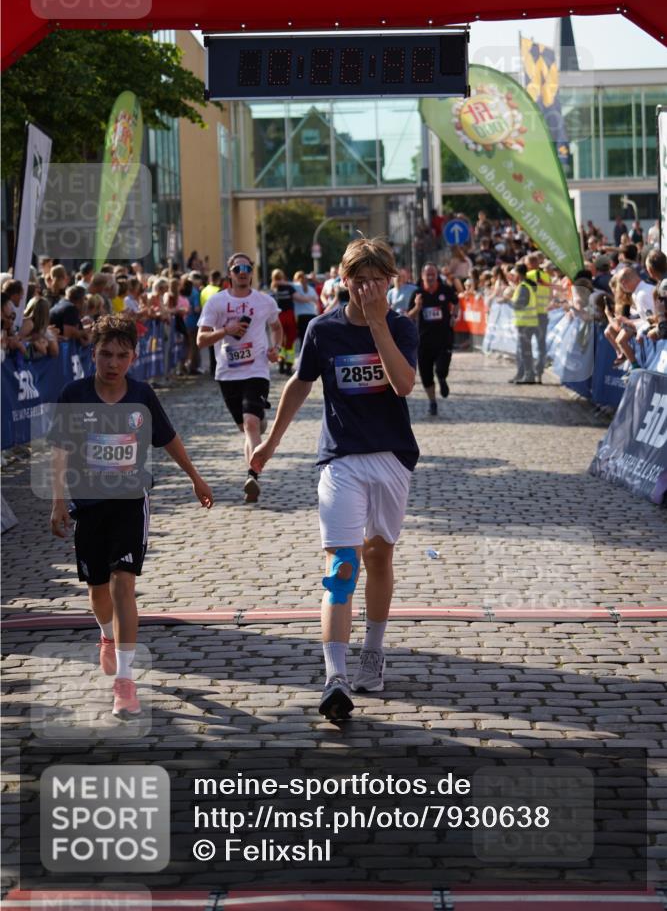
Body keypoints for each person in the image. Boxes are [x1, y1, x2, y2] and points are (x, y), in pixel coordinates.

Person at [250, 237, 419, 722]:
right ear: (342, 282)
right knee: (343, 564)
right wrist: (271, 441)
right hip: (340, 459)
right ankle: (335, 677)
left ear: (392, 282)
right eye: (358, 281)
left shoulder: (401, 327)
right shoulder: (322, 330)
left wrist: (379, 322)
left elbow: (404, 384)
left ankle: (374, 650)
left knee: (378, 555)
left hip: (390, 457)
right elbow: (300, 382)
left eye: (376, 281)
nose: (366, 289)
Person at [49, 315, 213, 718]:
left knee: (124, 582)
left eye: (122, 355)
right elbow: (59, 451)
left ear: (133, 358)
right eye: (106, 354)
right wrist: (57, 501)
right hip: (88, 504)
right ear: (93, 354)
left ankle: (125, 680)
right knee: (97, 588)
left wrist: (195, 477)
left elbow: (169, 439)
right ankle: (106, 635)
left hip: (130, 502)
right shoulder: (74, 394)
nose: (113, 363)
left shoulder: (142, 395)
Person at [197, 252, 282, 503]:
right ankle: (259, 420)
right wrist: (226, 330)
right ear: (229, 273)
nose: (242, 272)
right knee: (245, 427)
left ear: (252, 271)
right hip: (227, 373)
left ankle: (252, 476)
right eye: (237, 268)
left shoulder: (264, 301)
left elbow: (276, 328)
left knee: (250, 425)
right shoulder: (216, 302)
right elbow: (201, 340)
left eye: (247, 267)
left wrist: (275, 348)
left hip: (257, 369)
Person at [406, 263, 459, 415]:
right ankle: (432, 402)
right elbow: (409, 316)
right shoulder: (418, 293)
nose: (430, 277)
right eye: (427, 274)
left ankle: (442, 379)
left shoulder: (445, 290)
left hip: (444, 338)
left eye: (433, 274)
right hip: (423, 341)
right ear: (422, 276)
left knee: (441, 369)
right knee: (426, 375)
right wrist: (417, 307)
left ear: (437, 275)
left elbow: (456, 303)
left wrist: (454, 316)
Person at [525, 252, 552, 383]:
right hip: (543, 315)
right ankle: (539, 373)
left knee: (527, 344)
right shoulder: (547, 276)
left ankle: (529, 373)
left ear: (530, 264)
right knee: (541, 346)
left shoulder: (527, 276)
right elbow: (550, 296)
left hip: (530, 316)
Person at [509, 263, 538, 385]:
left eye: (513, 274)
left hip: (526, 323)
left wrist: (508, 300)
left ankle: (529, 376)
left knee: (525, 350)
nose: (512, 276)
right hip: (526, 322)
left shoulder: (524, 287)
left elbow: (520, 304)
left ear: (518, 274)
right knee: (522, 350)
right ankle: (522, 374)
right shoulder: (524, 285)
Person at [270, 268, 297, 374]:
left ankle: (281, 362)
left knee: (279, 340)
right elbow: (297, 297)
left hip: (278, 316)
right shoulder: (289, 287)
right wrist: (310, 299)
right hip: (289, 315)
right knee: (290, 340)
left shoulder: (273, 288)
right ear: (283, 276)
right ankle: (289, 366)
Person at [292, 269, 320, 344]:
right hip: (312, 314)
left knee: (303, 339)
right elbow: (317, 302)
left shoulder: (294, 286)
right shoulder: (311, 288)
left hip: (301, 316)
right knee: (312, 338)